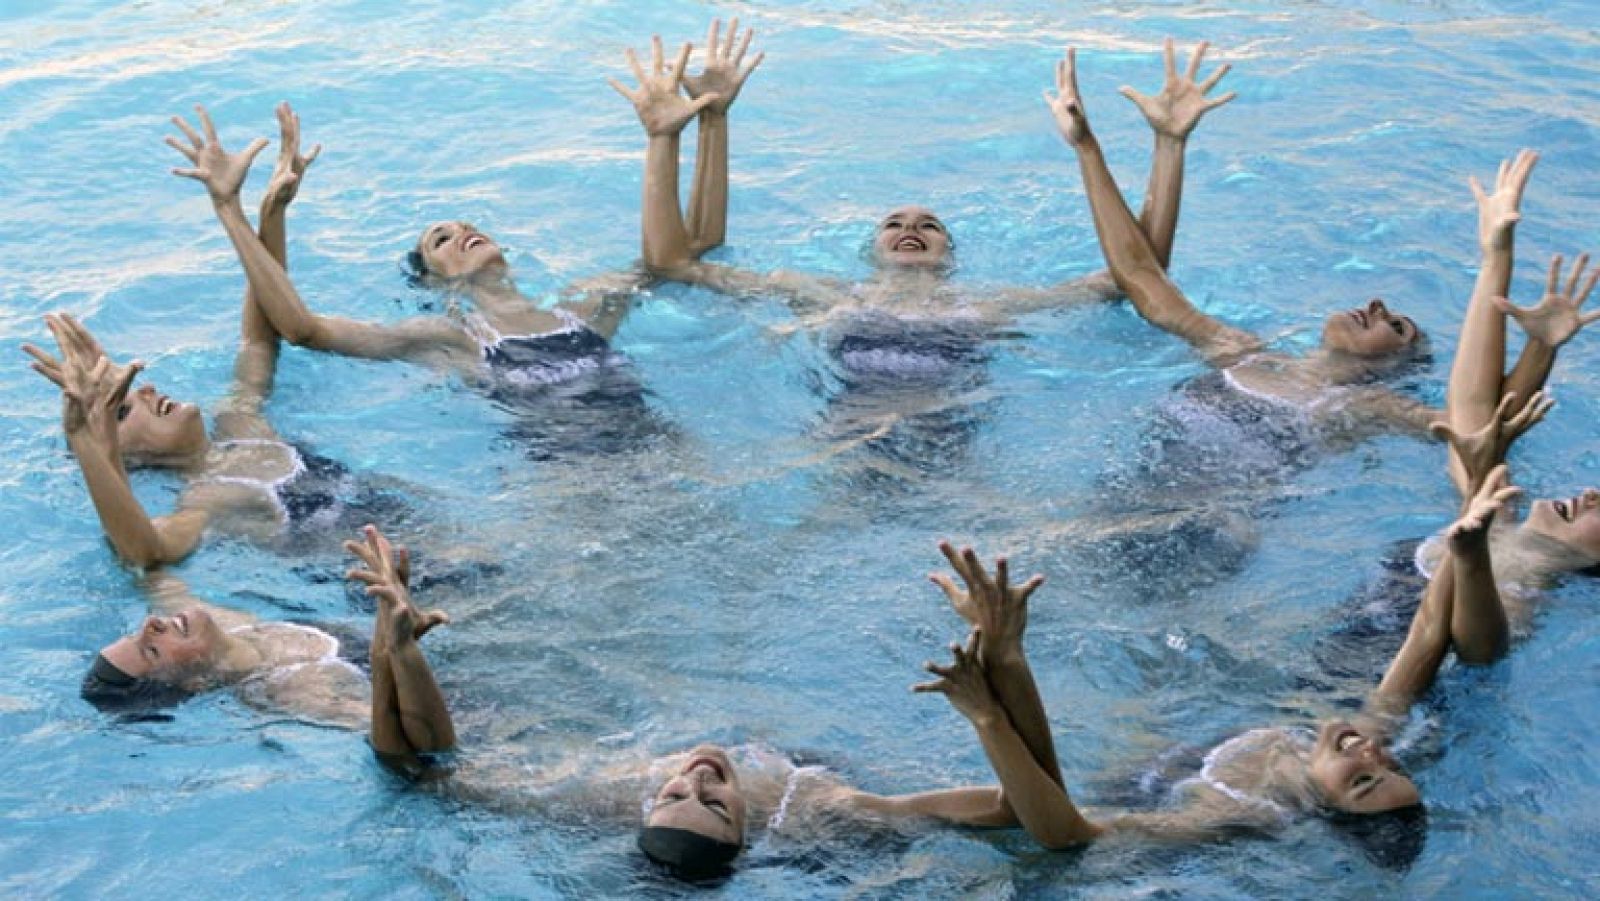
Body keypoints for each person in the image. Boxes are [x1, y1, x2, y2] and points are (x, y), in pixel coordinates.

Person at [617, 33, 1235, 475]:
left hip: (951, 467)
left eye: (929, 225)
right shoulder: (821, 294)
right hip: (842, 457)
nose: (911, 227)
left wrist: (1167, 145)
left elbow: (1140, 275)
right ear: (872, 251)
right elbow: (674, 264)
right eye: (894, 223)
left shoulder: (994, 308)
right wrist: (674, 135)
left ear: (950, 254)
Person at [915, 466, 1519, 858]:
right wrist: (1469, 533)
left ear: (1328, 812)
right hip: (1114, 772)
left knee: (871, 817)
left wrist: (989, 714)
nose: (1371, 753)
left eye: (1362, 780)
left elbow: (1066, 834)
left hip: (1066, 853)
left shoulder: (1237, 814)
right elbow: (1428, 629)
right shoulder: (1362, 741)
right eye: (1387, 764)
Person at [162, 102, 691, 460]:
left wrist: (673, 136)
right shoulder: (452, 339)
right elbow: (299, 329)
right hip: (577, 488)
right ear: (438, 285)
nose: (462, 233)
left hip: (666, 452)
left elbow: (673, 259)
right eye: (441, 239)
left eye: (465, 226)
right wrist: (250, 211)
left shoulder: (583, 304)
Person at [23, 106, 410, 566]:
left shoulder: (240, 424)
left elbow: (261, 339)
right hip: (422, 586)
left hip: (448, 535)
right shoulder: (205, 505)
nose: (145, 389)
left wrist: (260, 211)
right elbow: (146, 550)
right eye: (123, 410)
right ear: (127, 460)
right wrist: (86, 438)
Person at [80, 524, 447, 724]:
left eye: (133, 633)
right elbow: (405, 738)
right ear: (197, 681)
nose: (149, 625)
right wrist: (398, 646)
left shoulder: (226, 625)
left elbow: (145, 564)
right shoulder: (292, 690)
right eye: (151, 650)